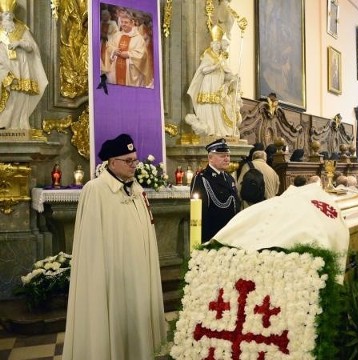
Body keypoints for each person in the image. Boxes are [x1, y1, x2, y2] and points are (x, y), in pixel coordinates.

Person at [63, 134, 166, 359]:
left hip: (138, 275)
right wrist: (100, 277)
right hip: (112, 279)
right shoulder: (96, 190)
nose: (134, 165)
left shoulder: (136, 189)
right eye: (128, 161)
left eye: (135, 160)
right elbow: (91, 244)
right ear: (112, 162)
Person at [186, 25, 241, 137]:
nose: (217, 46)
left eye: (218, 44)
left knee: (217, 105)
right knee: (208, 103)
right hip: (208, 83)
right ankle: (209, 128)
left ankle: (217, 129)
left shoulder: (220, 57)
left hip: (217, 85)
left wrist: (233, 78)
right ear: (212, 45)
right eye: (215, 44)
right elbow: (204, 70)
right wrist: (215, 66)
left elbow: (224, 74)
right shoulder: (208, 55)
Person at [0, 7, 48, 129]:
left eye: (10, 14)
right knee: (7, 92)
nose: (8, 17)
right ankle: (4, 122)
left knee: (20, 94)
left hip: (21, 68)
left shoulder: (21, 28)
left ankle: (17, 123)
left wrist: (20, 43)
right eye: (6, 14)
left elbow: (32, 47)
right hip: (4, 67)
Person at [191, 138, 240, 242]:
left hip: (231, 236)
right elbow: (200, 212)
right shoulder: (202, 178)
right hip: (213, 237)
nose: (227, 159)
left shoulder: (229, 178)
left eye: (228, 155)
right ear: (210, 158)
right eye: (222, 156)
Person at [104, 10, 151, 87]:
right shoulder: (117, 35)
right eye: (122, 22)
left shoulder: (138, 38)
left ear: (132, 23)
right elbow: (108, 46)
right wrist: (113, 51)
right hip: (115, 73)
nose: (123, 24)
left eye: (126, 22)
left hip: (131, 73)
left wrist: (128, 54)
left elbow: (143, 55)